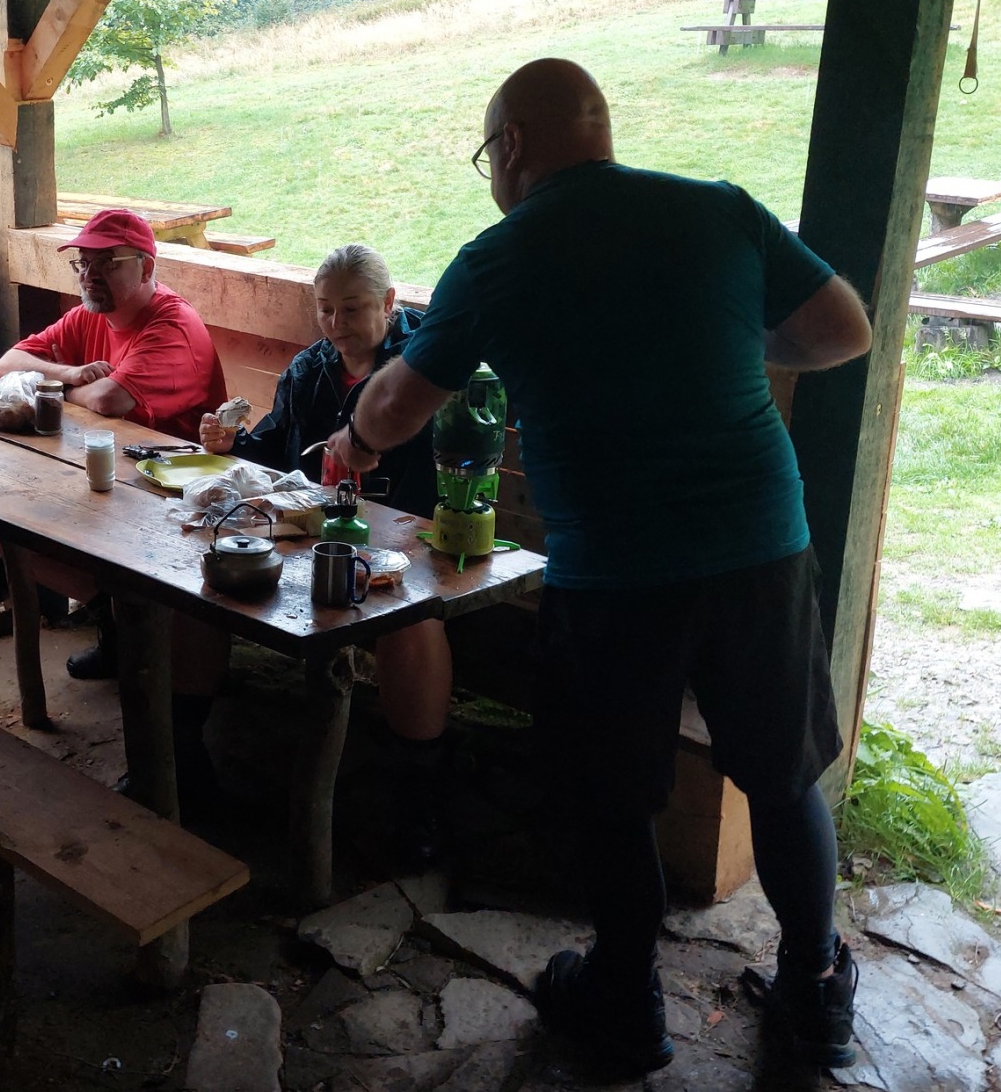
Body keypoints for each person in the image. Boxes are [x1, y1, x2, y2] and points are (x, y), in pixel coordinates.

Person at [327, 59, 872, 1075]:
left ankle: (626, 1001)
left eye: (488, 154)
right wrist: (714, 351)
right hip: (760, 545)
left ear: (513, 146)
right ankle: (815, 989)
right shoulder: (719, 210)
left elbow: (397, 403)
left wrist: (354, 440)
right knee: (781, 771)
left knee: (613, 793)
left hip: (615, 570)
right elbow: (844, 330)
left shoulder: (499, 256)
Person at [199, 242, 452, 865]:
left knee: (411, 621)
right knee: (199, 582)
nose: (336, 324)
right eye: (325, 309)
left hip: (408, 546)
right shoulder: (309, 370)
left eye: (352, 308)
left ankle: (418, 803)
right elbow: (274, 452)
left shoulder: (424, 370)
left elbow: (436, 491)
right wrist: (231, 444)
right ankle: (186, 767)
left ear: (389, 303)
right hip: (312, 537)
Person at [0, 208, 227, 680]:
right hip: (111, 483)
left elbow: (109, 399)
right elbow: (7, 364)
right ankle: (117, 623)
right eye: (83, 263)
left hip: (178, 501)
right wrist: (69, 373)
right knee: (11, 535)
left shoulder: (172, 324)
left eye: (107, 263)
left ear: (146, 268)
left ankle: (141, 635)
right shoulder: (88, 315)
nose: (89, 275)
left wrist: (58, 389)